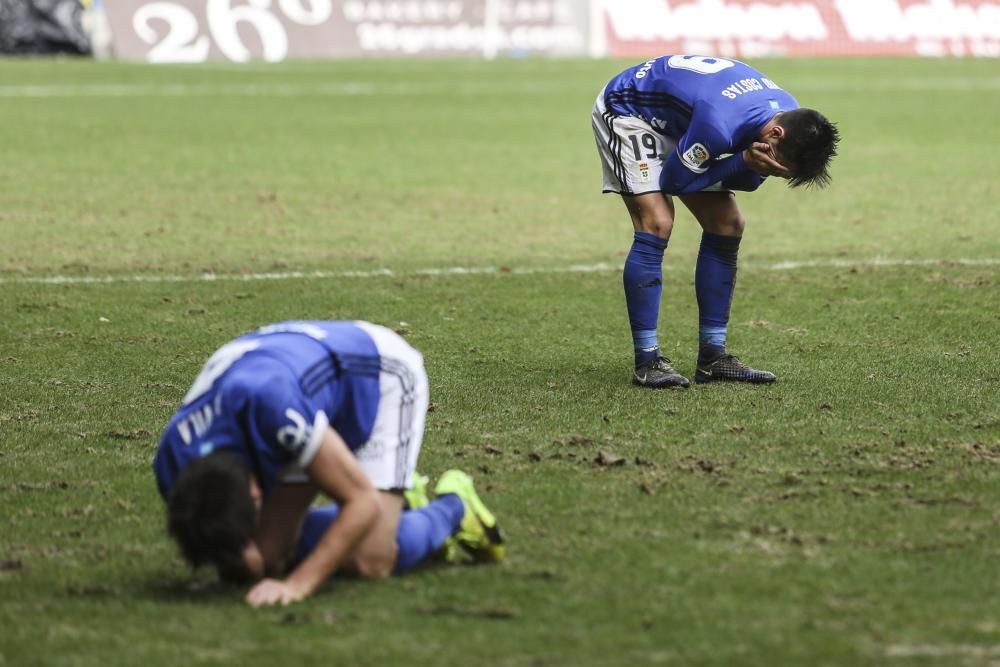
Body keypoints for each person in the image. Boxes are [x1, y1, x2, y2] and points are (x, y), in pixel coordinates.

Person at [153, 320, 504, 607]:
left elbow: (360, 501)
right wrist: (248, 557)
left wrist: (297, 586)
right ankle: (403, 500)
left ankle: (454, 507)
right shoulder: (171, 464)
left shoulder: (277, 412)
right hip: (290, 387)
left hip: (373, 376)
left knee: (371, 558)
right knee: (267, 559)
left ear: (256, 487)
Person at [592, 54, 840, 388]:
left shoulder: (785, 118)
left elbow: (748, 180)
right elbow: (675, 182)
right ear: (776, 133)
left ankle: (713, 358)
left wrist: (748, 164)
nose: (775, 171)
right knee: (658, 221)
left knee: (728, 224)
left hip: (683, 121)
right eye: (777, 164)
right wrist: (742, 160)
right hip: (630, 110)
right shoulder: (720, 124)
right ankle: (647, 360)